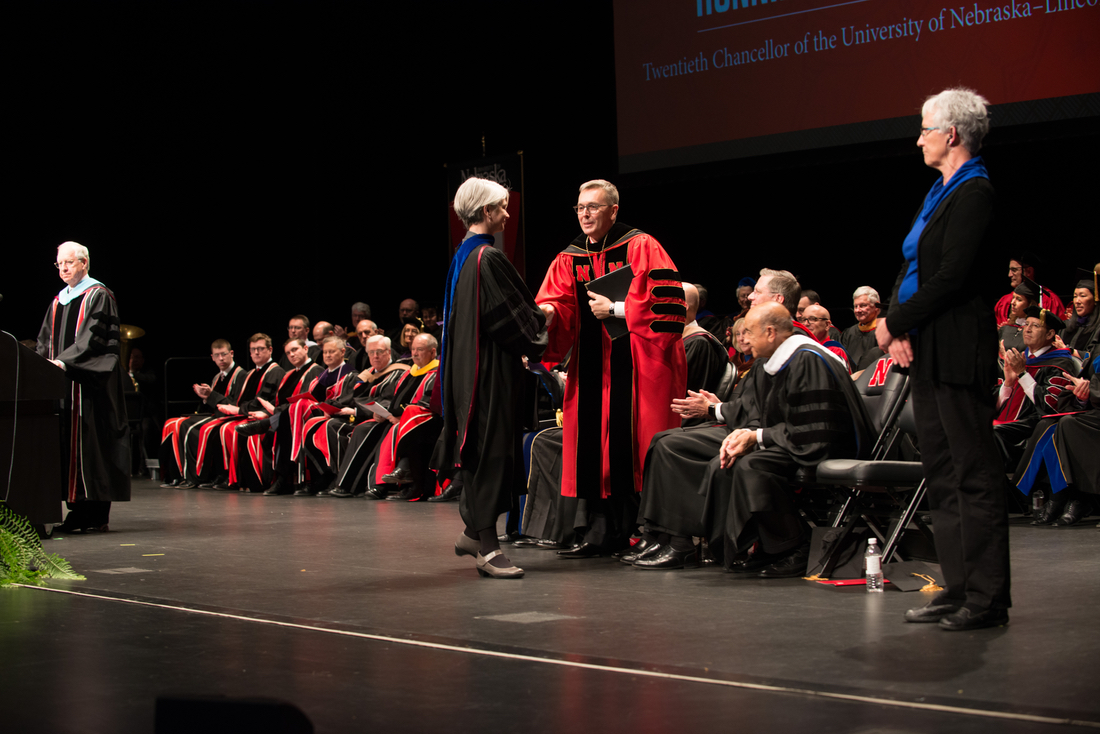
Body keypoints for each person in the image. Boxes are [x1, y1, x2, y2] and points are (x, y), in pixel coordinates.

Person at [876, 87, 1009, 631]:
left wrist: (897, 323)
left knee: (973, 475)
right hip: (927, 349)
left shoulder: (975, 192)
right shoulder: (939, 192)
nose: (920, 137)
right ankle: (957, 589)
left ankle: (987, 598)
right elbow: (910, 266)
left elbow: (952, 277)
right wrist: (894, 322)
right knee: (943, 474)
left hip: (957, 350)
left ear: (950, 134)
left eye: (926, 128)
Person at [535, 179, 687, 557]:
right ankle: (600, 532)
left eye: (594, 207)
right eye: (580, 208)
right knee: (593, 448)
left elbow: (668, 304)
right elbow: (557, 301)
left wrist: (618, 310)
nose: (585, 214)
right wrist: (548, 313)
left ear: (613, 210)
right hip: (592, 369)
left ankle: (641, 532)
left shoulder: (641, 246)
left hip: (639, 364)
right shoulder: (569, 257)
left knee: (634, 446)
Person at [435, 178, 548, 577]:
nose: (506, 213)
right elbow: (513, 321)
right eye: (501, 207)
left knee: (488, 450)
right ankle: (487, 548)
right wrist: (543, 319)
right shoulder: (487, 258)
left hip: (469, 369)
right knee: (490, 454)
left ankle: (472, 534)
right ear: (486, 212)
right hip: (488, 375)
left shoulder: (462, 257)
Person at [37, 241, 131, 532]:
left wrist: (64, 363)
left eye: (68, 263)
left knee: (93, 447)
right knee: (69, 447)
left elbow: (94, 340)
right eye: (59, 264)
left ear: (84, 263)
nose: (63, 268)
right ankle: (76, 511)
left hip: (91, 385)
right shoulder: (58, 301)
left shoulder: (98, 295)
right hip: (65, 385)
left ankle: (95, 515)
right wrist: (41, 365)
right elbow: (44, 341)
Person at [992, 253, 1065, 327]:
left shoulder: (1050, 300)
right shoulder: (1004, 301)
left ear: (1029, 271)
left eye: (1014, 270)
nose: (1009, 275)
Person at [839, 286, 886, 372]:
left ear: (876, 306)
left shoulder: (884, 332)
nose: (858, 310)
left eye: (863, 306)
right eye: (855, 306)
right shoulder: (848, 333)